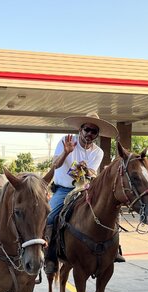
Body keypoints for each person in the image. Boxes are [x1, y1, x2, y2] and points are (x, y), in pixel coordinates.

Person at [42, 113, 120, 274]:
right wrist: (66, 153)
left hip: (86, 189)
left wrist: (85, 170)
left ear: (97, 135)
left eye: (94, 131)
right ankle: (50, 256)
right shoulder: (66, 141)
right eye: (87, 129)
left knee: (110, 211)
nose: (89, 134)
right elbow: (55, 165)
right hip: (63, 189)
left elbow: (92, 172)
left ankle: (115, 248)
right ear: (80, 129)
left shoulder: (98, 152)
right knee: (49, 216)